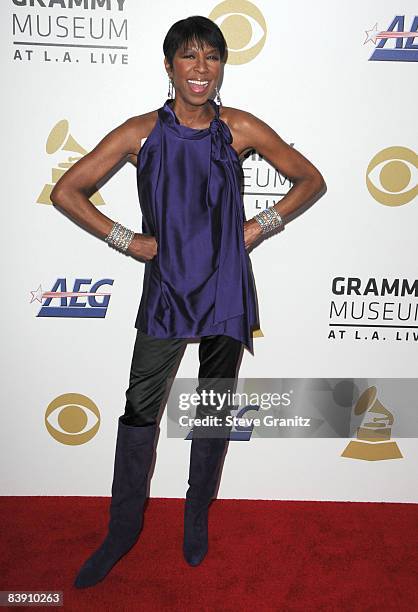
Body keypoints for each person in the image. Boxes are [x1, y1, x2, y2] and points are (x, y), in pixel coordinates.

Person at [50, 15, 325, 589]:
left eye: (213, 57)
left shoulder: (240, 127)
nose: (202, 69)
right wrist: (129, 242)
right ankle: (122, 531)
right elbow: (66, 192)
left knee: (213, 405)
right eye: (189, 57)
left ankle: (195, 513)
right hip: (168, 287)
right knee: (139, 409)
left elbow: (309, 180)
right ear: (170, 65)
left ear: (223, 65)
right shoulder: (141, 132)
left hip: (225, 286)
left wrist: (257, 227)